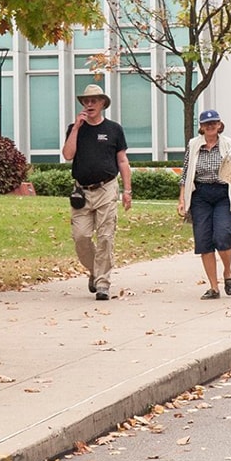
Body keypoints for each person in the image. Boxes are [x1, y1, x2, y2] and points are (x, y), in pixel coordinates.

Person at [62, 85, 132, 301]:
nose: (89, 104)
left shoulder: (114, 129)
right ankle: (94, 270)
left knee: (105, 237)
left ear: (103, 103)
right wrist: (75, 129)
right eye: (86, 101)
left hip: (106, 189)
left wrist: (127, 190)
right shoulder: (75, 128)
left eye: (94, 101)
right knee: (81, 237)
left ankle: (102, 283)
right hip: (82, 191)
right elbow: (67, 155)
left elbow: (122, 160)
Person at [177, 109, 231, 300]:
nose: (210, 126)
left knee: (223, 235)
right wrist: (182, 199)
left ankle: (227, 272)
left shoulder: (228, 144)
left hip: (223, 194)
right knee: (204, 240)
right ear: (201, 127)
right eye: (206, 124)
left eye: (214, 123)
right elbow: (186, 174)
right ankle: (213, 287)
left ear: (219, 125)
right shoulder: (194, 145)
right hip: (200, 195)